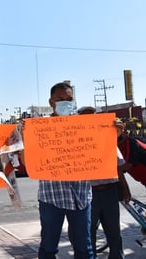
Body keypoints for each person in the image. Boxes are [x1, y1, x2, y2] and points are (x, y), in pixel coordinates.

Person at [35, 82, 94, 258]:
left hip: (81, 196)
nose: (65, 103)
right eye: (60, 99)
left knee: (84, 248)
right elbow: (28, 161)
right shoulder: (39, 128)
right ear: (51, 102)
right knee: (48, 248)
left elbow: (101, 153)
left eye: (68, 99)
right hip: (51, 197)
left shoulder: (86, 126)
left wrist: (114, 134)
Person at [78, 106, 131, 258]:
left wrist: (125, 189)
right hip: (88, 194)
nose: (90, 119)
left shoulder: (107, 140)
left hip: (109, 192)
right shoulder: (75, 144)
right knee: (89, 234)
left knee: (114, 232)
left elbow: (118, 167)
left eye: (93, 116)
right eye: (86, 116)